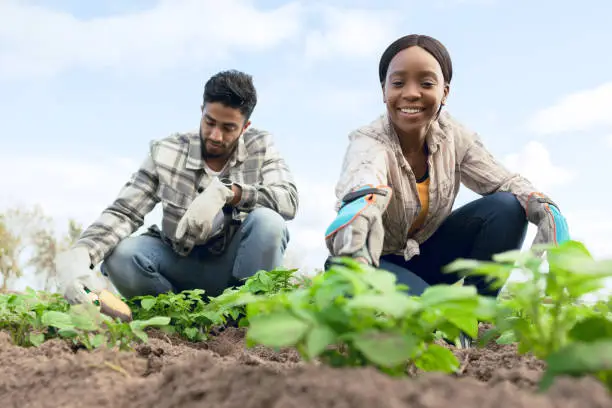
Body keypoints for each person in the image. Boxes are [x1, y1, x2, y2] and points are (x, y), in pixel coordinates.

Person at [324, 34, 570, 299]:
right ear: (384, 90)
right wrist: (356, 242)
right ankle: (431, 311)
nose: (410, 93)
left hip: (425, 258)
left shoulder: (454, 136)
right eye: (398, 83)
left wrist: (544, 207)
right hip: (370, 263)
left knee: (507, 206)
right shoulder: (369, 142)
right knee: (434, 317)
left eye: (426, 83)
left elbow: (504, 183)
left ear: (445, 92)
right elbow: (363, 187)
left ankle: (478, 309)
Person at [54, 69, 299, 311]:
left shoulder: (261, 146)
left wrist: (230, 193)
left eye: (228, 128)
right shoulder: (167, 151)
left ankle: (245, 317)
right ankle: (178, 316)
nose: (215, 135)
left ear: (245, 127)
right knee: (121, 255)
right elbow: (125, 211)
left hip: (232, 270)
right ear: (201, 111)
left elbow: (288, 199)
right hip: (179, 263)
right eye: (209, 122)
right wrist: (82, 252)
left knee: (269, 222)